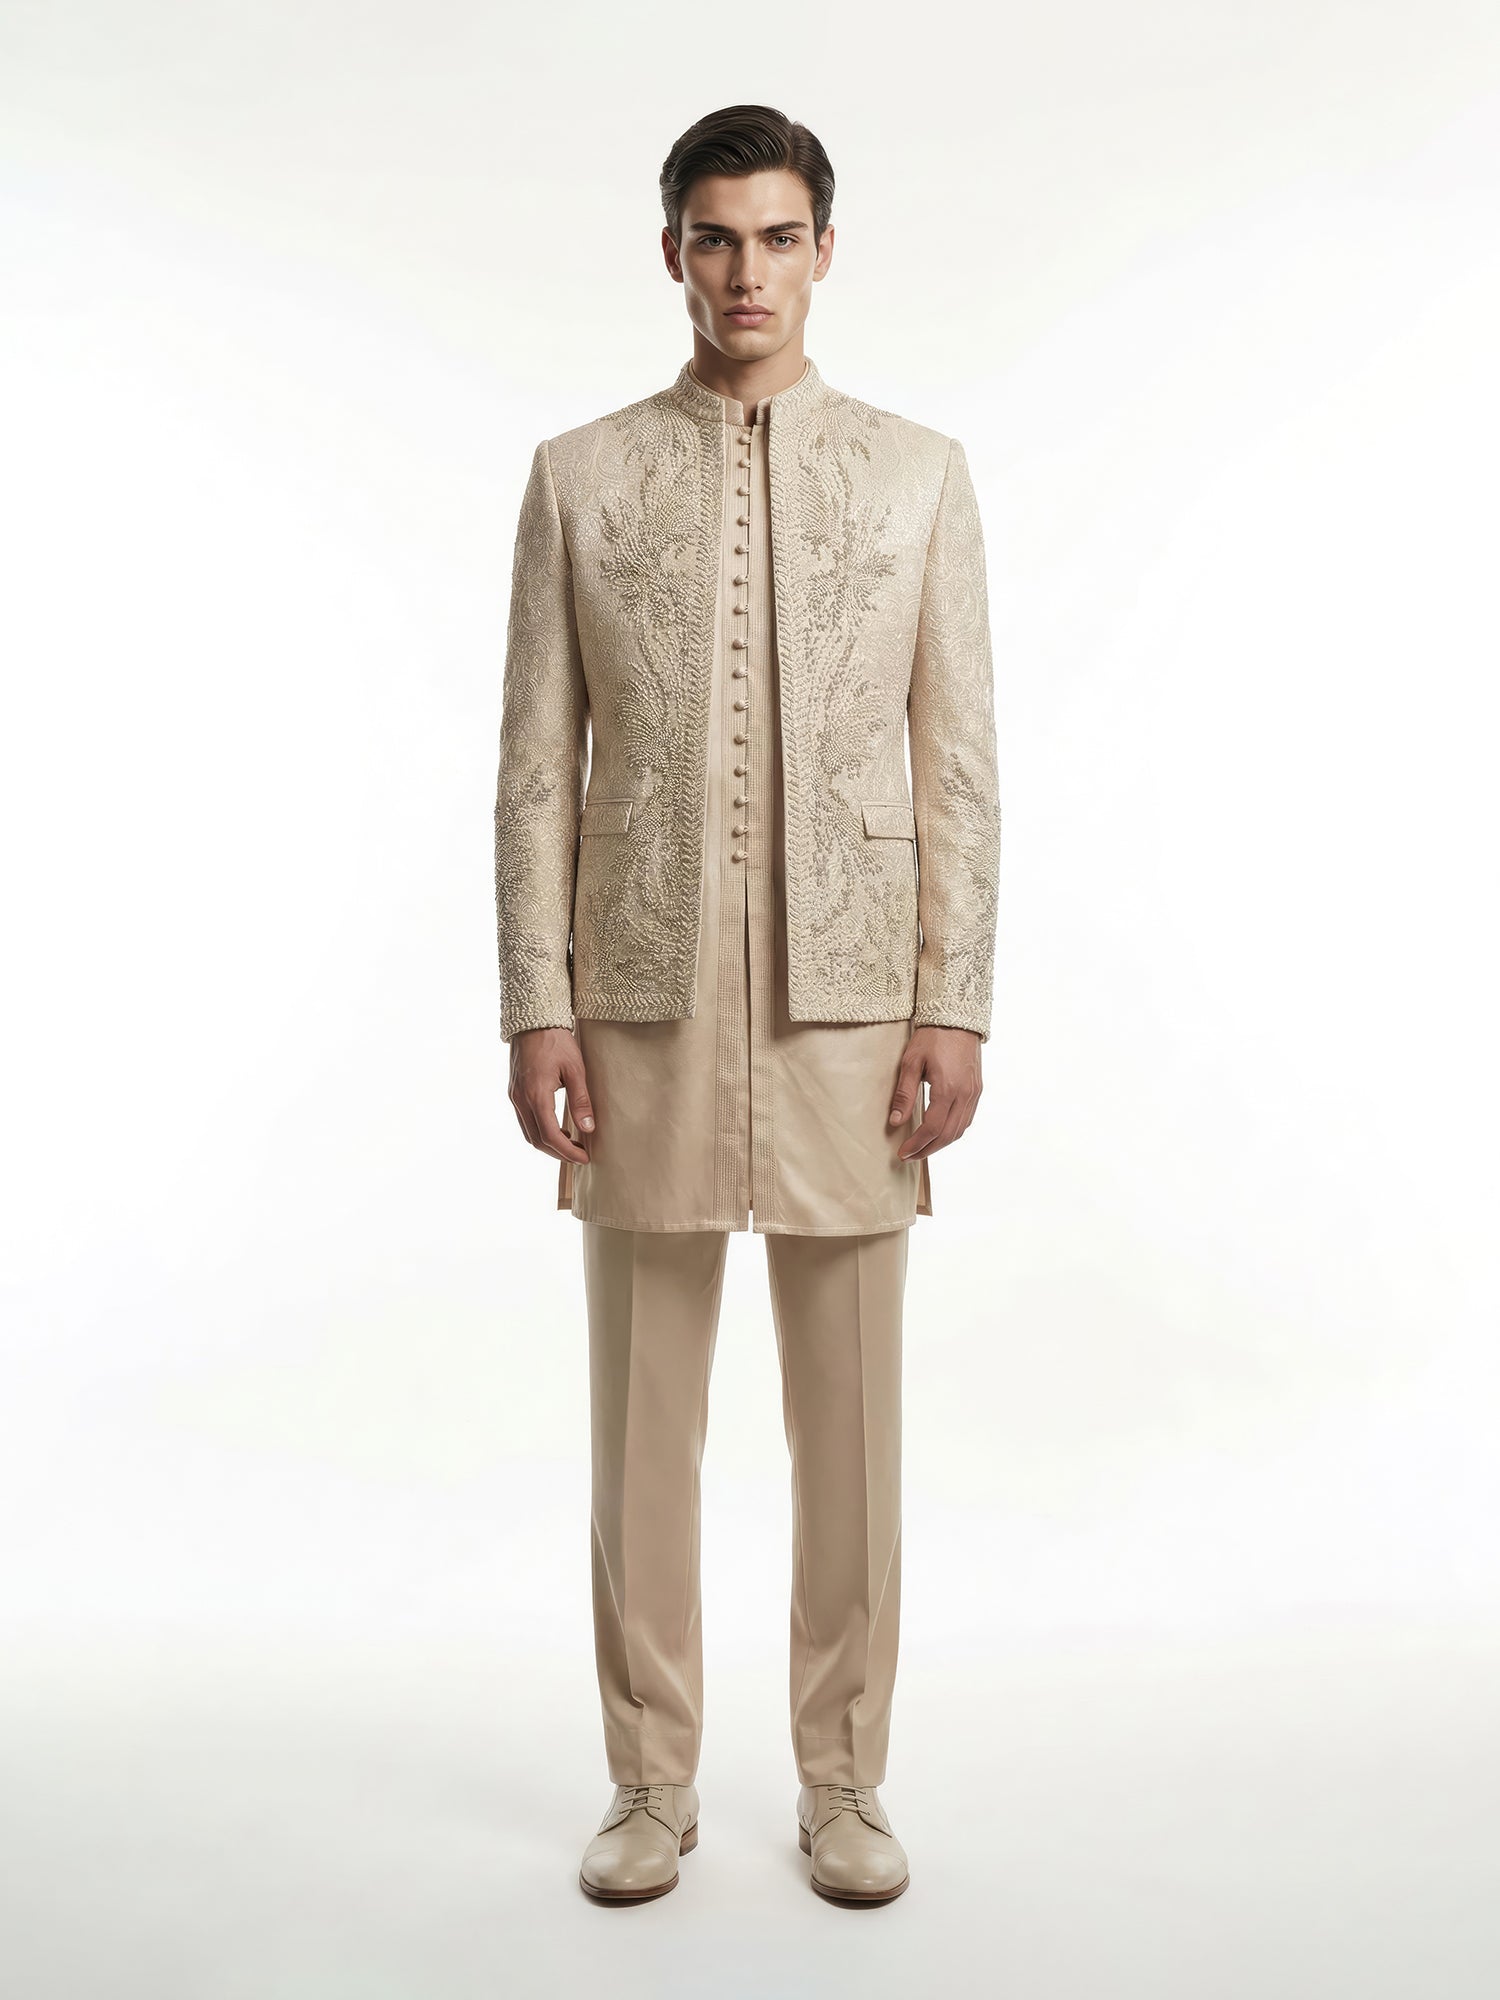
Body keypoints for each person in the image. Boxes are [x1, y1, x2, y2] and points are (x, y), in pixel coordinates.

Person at [494, 102, 1000, 1907]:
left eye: (778, 237)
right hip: (636, 1000)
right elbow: (535, 772)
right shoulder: (580, 475)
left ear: (824, 251)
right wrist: (535, 1004)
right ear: (673, 254)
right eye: (715, 237)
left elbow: (959, 768)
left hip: (857, 1009)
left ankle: (843, 1778)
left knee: (848, 1423)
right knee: (644, 1423)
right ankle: (650, 1781)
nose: (746, 273)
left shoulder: (919, 474)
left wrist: (956, 1000)